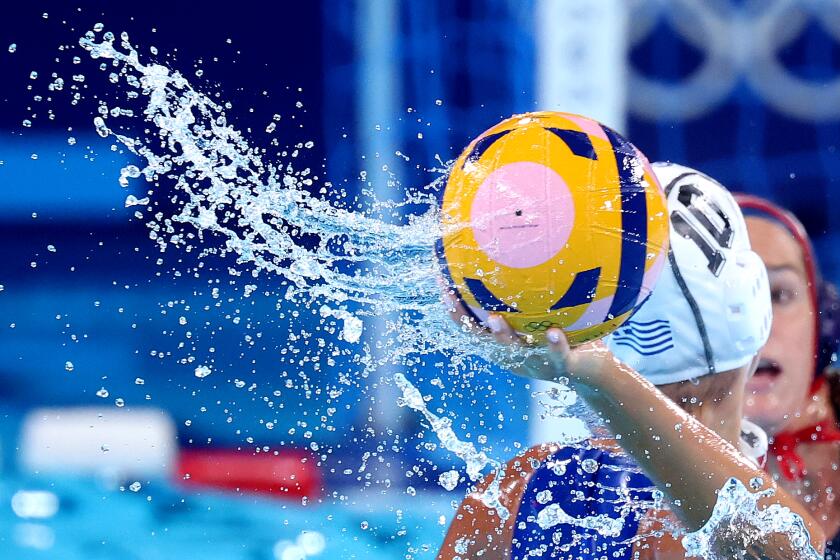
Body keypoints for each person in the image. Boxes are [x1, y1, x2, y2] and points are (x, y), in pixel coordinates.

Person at [436, 163, 824, 559]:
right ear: (754, 313)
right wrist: (600, 375)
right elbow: (789, 548)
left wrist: (596, 373)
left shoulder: (519, 495)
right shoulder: (782, 518)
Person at [736, 194, 840, 555]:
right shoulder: (619, 482)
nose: (756, 322)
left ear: (823, 324)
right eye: (727, 298)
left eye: (778, 294)